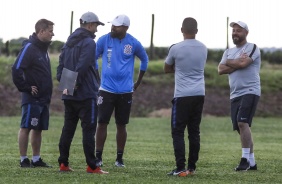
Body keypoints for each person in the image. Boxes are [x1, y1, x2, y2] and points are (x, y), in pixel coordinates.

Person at [56, 11, 108, 174]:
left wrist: (65, 83)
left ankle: (63, 163)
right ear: (90, 25)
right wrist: (75, 84)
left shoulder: (69, 41)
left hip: (68, 93)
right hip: (85, 94)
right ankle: (92, 166)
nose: (97, 30)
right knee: (88, 130)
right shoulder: (89, 43)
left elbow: (60, 65)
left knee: (68, 129)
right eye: (96, 26)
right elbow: (83, 65)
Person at [95, 14, 149, 167]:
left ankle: (119, 159)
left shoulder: (133, 42)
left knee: (121, 125)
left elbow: (145, 60)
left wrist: (137, 82)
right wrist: (97, 76)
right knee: (102, 122)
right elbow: (94, 57)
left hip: (125, 91)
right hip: (106, 90)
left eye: (117, 25)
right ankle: (98, 157)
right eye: (113, 24)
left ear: (125, 27)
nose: (113, 27)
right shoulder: (104, 40)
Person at [164, 17, 207, 177]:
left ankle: (180, 168)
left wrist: (177, 68)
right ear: (196, 31)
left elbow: (166, 68)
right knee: (194, 132)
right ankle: (191, 167)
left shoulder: (175, 49)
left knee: (178, 132)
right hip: (199, 94)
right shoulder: (204, 48)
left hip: (182, 95)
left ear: (182, 30)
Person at [218, 21, 260, 171]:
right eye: (234, 30)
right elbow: (220, 69)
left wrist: (230, 63)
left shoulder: (252, 47)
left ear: (246, 33)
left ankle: (244, 160)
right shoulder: (228, 52)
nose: (235, 33)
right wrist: (235, 61)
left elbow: (243, 64)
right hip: (234, 93)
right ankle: (252, 162)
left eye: (238, 31)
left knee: (242, 123)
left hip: (250, 90)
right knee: (241, 128)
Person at [12, 19, 54, 168]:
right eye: (50, 31)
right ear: (41, 31)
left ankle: (36, 159)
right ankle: (24, 159)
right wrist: (26, 88)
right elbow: (16, 69)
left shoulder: (43, 49)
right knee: (26, 127)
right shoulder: (29, 47)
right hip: (32, 98)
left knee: (38, 128)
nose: (52, 34)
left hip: (44, 98)